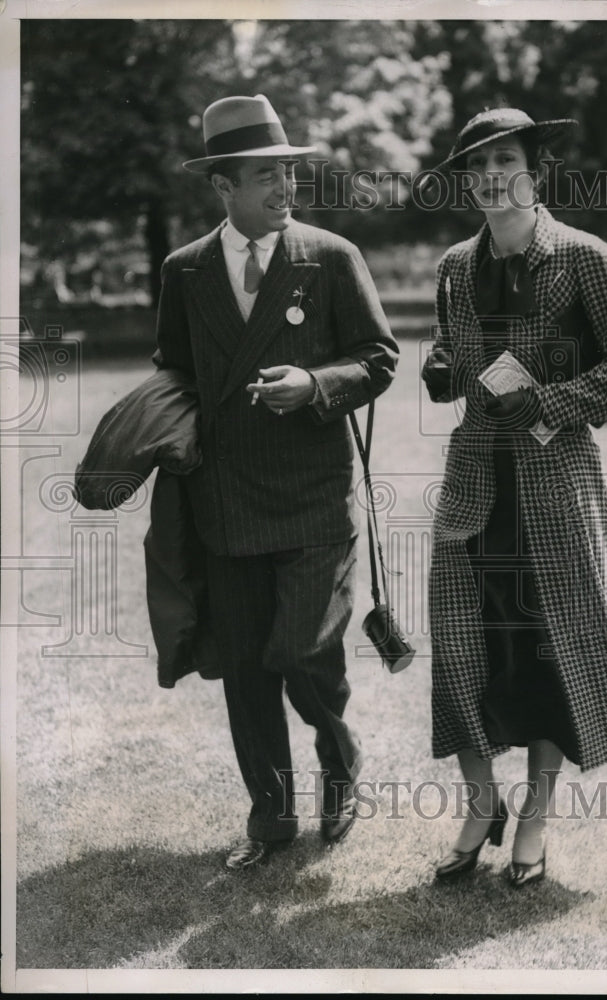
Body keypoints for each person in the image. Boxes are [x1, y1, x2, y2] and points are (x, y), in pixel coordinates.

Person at [153, 94, 399, 869]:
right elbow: (174, 373)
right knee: (244, 665)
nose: (283, 188)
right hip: (223, 501)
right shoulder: (185, 271)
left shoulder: (329, 257)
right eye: (264, 176)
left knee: (301, 651)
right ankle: (268, 816)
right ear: (222, 187)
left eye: (287, 173)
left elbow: (380, 359)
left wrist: (317, 383)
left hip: (312, 498)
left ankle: (340, 757)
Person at [421, 107, 607, 887]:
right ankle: (480, 798)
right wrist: (441, 368)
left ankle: (535, 813)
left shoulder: (586, 257)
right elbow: (454, 355)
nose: (492, 178)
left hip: (554, 488)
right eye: (477, 166)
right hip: (473, 486)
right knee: (465, 644)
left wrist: (552, 402)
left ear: (536, 171)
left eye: (507, 162)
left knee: (548, 651)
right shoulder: (456, 264)